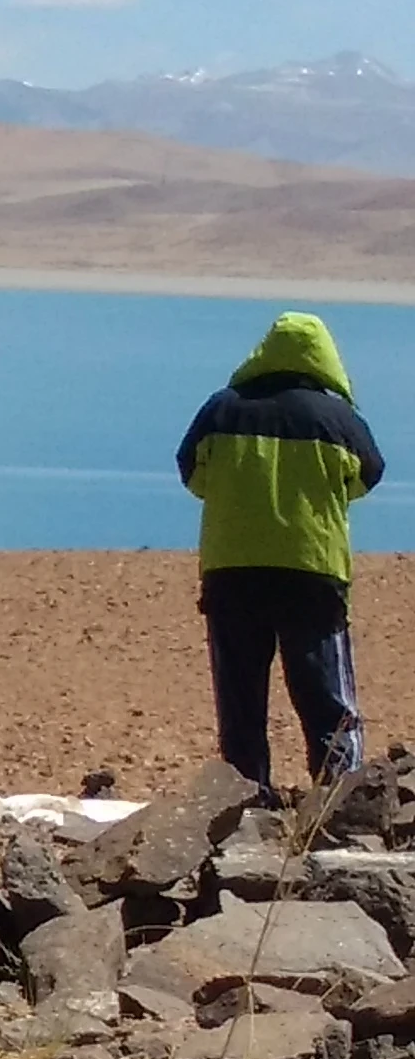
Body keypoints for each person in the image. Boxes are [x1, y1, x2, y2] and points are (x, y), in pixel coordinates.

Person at [178, 309, 383, 790]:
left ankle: (244, 797)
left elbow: (193, 473)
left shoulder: (220, 409)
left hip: (233, 572)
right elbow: (365, 476)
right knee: (327, 698)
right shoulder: (339, 419)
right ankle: (340, 800)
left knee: (240, 699)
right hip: (312, 572)